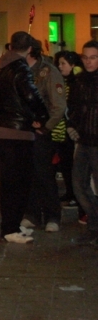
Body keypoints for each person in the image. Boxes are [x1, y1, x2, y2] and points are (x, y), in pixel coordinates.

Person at [0, 31, 49, 244]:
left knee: (10, 182)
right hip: (17, 131)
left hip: (3, 128)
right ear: (29, 49)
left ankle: (12, 224)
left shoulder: (0, 68)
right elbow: (31, 95)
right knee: (18, 182)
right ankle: (11, 227)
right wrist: (42, 116)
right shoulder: (20, 68)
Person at [21, 40, 66, 232]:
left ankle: (52, 215)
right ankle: (31, 213)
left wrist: (46, 127)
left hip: (41, 131)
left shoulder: (47, 71)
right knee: (27, 174)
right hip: (23, 130)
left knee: (44, 174)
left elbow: (58, 105)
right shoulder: (19, 71)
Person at [67, 40, 98, 245]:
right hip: (84, 140)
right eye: (85, 57)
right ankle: (94, 224)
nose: (88, 61)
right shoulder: (79, 81)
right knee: (78, 184)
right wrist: (72, 126)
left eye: (93, 57)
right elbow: (74, 107)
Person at [52, 51, 83, 216]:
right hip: (61, 130)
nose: (60, 66)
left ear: (73, 66)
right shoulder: (62, 82)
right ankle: (70, 192)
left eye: (63, 63)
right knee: (65, 164)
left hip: (72, 131)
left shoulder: (77, 83)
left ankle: (76, 196)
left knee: (73, 165)